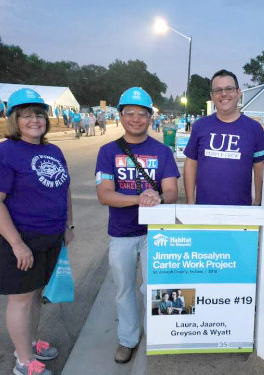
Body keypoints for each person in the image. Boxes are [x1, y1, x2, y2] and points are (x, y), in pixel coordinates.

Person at [0, 88, 74, 375]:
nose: (35, 120)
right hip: (19, 238)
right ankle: (23, 361)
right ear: (14, 120)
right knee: (20, 298)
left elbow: (64, 188)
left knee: (36, 294)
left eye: (39, 114)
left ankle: (31, 343)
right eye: (26, 115)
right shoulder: (2, 155)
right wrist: (17, 244)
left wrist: (68, 225)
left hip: (50, 236)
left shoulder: (53, 150)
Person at [95, 86, 180, 364]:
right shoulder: (108, 151)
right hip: (122, 234)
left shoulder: (162, 151)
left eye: (141, 114)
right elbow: (104, 194)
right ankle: (128, 338)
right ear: (120, 116)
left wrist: (157, 196)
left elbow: (171, 192)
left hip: (157, 234)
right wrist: (140, 199)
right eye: (129, 113)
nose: (135, 119)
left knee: (160, 287)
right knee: (124, 289)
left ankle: (163, 334)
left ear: (149, 117)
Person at [183, 69, 264, 205]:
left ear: (238, 92)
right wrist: (191, 203)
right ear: (211, 95)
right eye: (218, 90)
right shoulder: (200, 126)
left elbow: (260, 169)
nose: (224, 94)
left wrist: (258, 203)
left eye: (229, 88)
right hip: (204, 210)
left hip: (241, 213)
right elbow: (191, 164)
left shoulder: (254, 129)